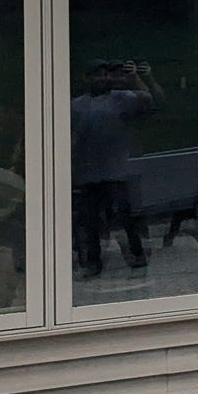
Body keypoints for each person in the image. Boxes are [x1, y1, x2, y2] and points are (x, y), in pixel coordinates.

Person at [71, 60, 160, 278]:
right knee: (89, 221)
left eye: (106, 75)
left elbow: (151, 100)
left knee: (126, 216)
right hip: (86, 173)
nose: (103, 78)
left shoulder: (121, 99)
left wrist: (138, 78)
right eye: (97, 75)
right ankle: (92, 262)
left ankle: (137, 254)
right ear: (87, 78)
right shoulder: (75, 105)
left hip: (116, 171)